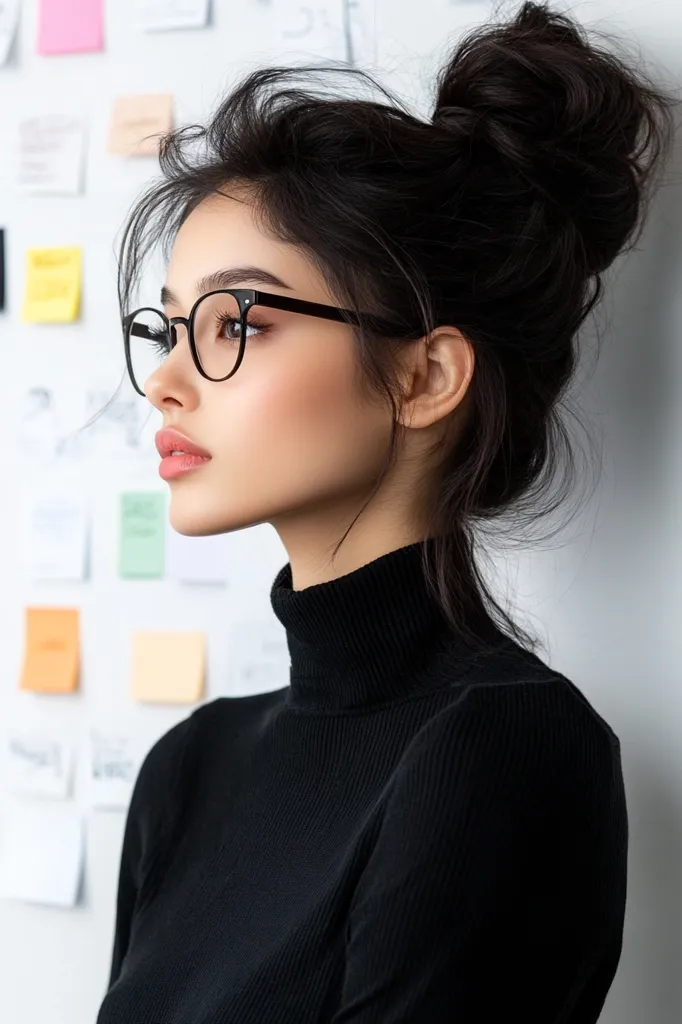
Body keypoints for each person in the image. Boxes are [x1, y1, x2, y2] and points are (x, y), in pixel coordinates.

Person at [97, 3, 672, 1022]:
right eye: (168, 328)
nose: (169, 383)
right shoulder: (190, 767)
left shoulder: (502, 747)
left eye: (236, 321)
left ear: (424, 376)